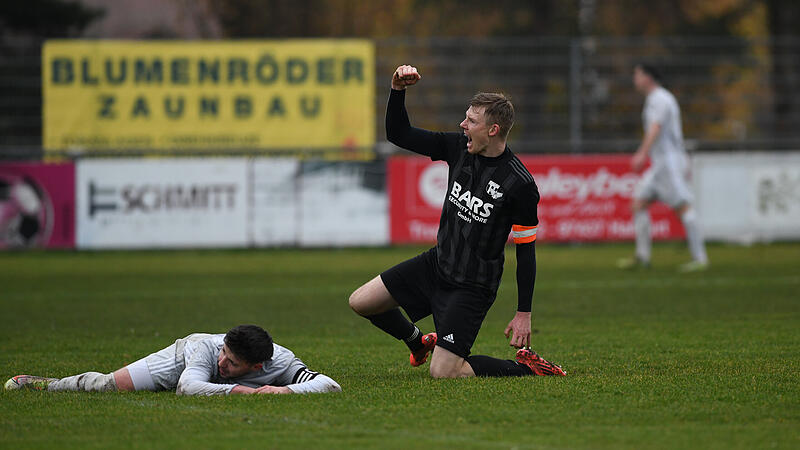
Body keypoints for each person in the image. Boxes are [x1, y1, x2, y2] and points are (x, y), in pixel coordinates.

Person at [348, 64, 566, 379]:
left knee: (445, 373)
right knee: (361, 301)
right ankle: (418, 342)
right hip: (436, 265)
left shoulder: (520, 184)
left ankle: (525, 367)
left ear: (492, 130)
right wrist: (398, 90)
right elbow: (398, 134)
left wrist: (523, 314)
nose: (462, 124)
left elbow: (526, 252)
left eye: (471, 120)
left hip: (471, 287)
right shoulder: (457, 148)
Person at [5, 324, 341, 395]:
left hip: (202, 368)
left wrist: (286, 392)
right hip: (182, 359)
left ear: (258, 367)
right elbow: (188, 387)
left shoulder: (281, 363)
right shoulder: (208, 350)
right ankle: (46, 385)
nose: (223, 363)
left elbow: (330, 385)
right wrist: (246, 392)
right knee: (108, 386)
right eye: (225, 353)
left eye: (232, 363)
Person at [618, 63, 709, 272]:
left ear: (648, 77)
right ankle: (642, 257)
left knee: (683, 207)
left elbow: (655, 127)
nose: (635, 78)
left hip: (669, 164)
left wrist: (641, 153)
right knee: (638, 204)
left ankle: (700, 258)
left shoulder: (660, 99)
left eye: (637, 74)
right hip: (660, 164)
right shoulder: (654, 99)